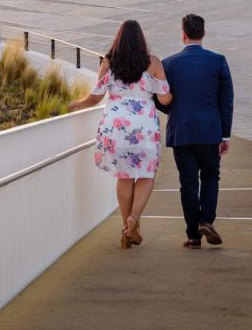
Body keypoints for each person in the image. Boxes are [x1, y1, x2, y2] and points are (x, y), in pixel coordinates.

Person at [68, 20, 172, 248]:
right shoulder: (152, 63)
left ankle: (126, 227)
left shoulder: (109, 62)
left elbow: (95, 96)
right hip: (144, 128)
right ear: (141, 40)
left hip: (116, 128)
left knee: (124, 177)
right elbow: (165, 98)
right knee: (146, 175)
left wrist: (77, 104)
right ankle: (134, 219)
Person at [157, 14, 234, 249]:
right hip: (210, 131)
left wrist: (170, 110)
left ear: (183, 34)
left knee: (188, 182)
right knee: (211, 177)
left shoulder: (168, 64)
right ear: (203, 33)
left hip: (181, 132)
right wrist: (225, 134)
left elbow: (159, 98)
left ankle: (192, 236)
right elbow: (227, 100)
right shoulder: (218, 61)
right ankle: (206, 220)